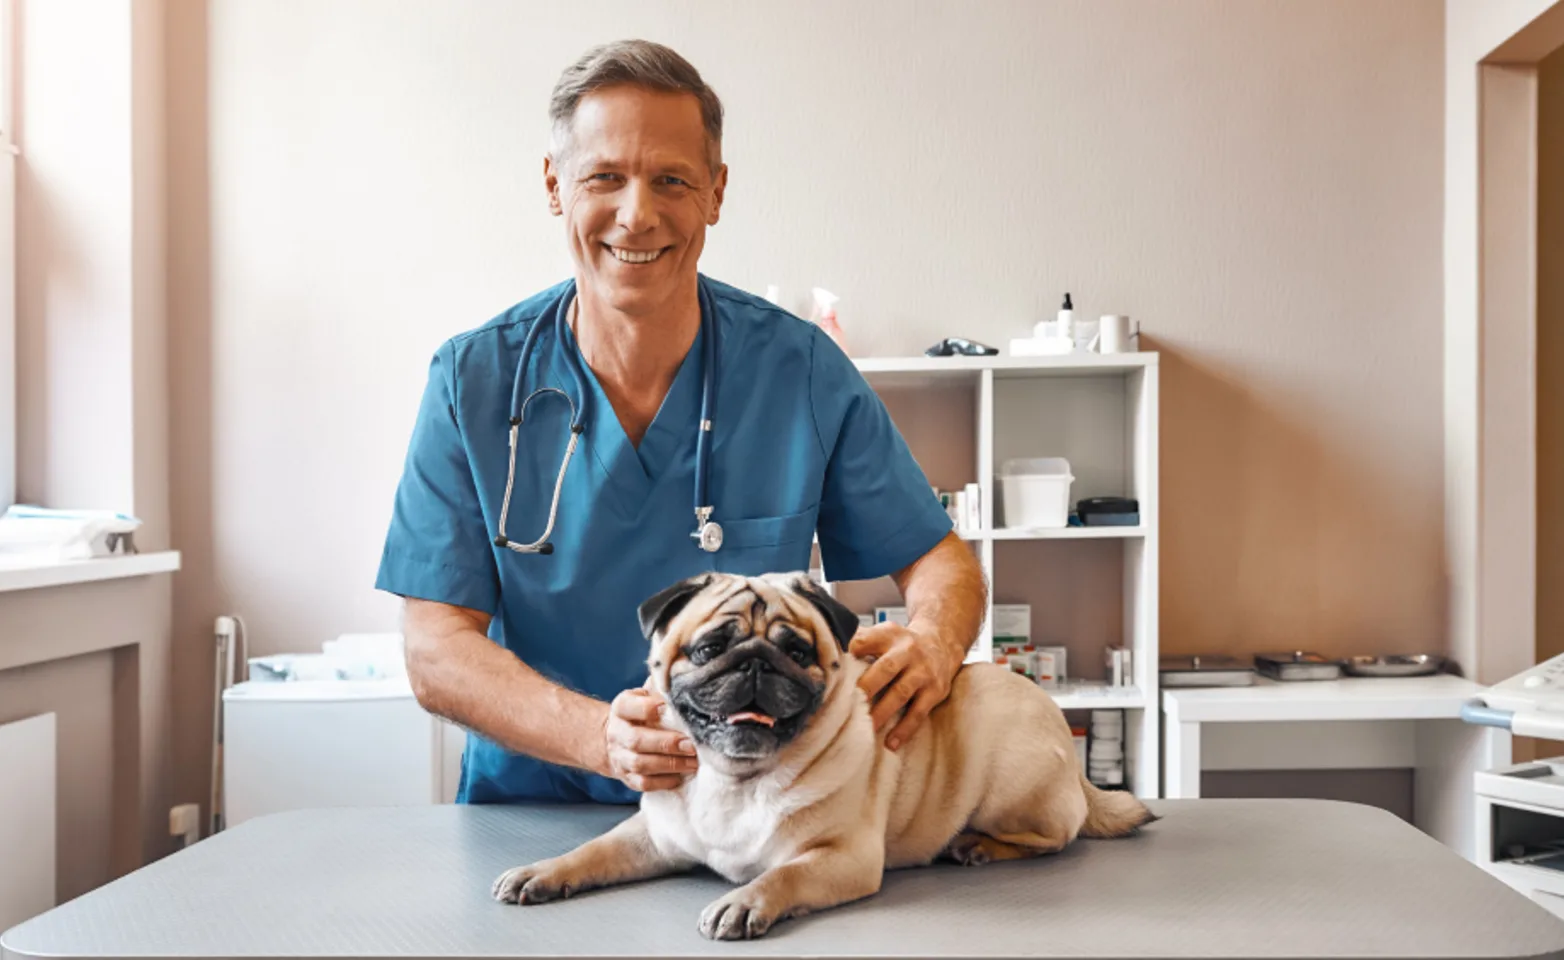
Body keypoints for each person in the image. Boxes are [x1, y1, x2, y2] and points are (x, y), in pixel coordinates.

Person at [375, 39, 987, 805]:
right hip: (536, 816)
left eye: (671, 180)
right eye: (605, 177)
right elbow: (435, 650)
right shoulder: (474, 381)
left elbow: (942, 562)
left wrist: (933, 642)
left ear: (716, 193)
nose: (638, 215)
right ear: (554, 185)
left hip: (753, 819)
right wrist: (602, 739)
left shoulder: (800, 372)